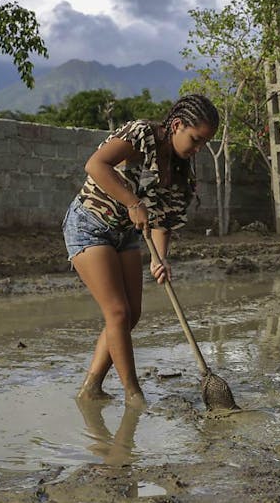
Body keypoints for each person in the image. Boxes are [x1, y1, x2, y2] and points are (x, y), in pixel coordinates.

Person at [62, 94, 219, 408]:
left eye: (204, 144)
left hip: (126, 235)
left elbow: (164, 221)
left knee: (131, 316)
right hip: (90, 223)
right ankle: (134, 396)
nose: (198, 149)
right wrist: (132, 202)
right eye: (196, 139)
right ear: (176, 125)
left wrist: (160, 259)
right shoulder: (141, 135)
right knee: (117, 312)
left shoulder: (181, 172)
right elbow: (95, 165)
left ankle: (91, 387)